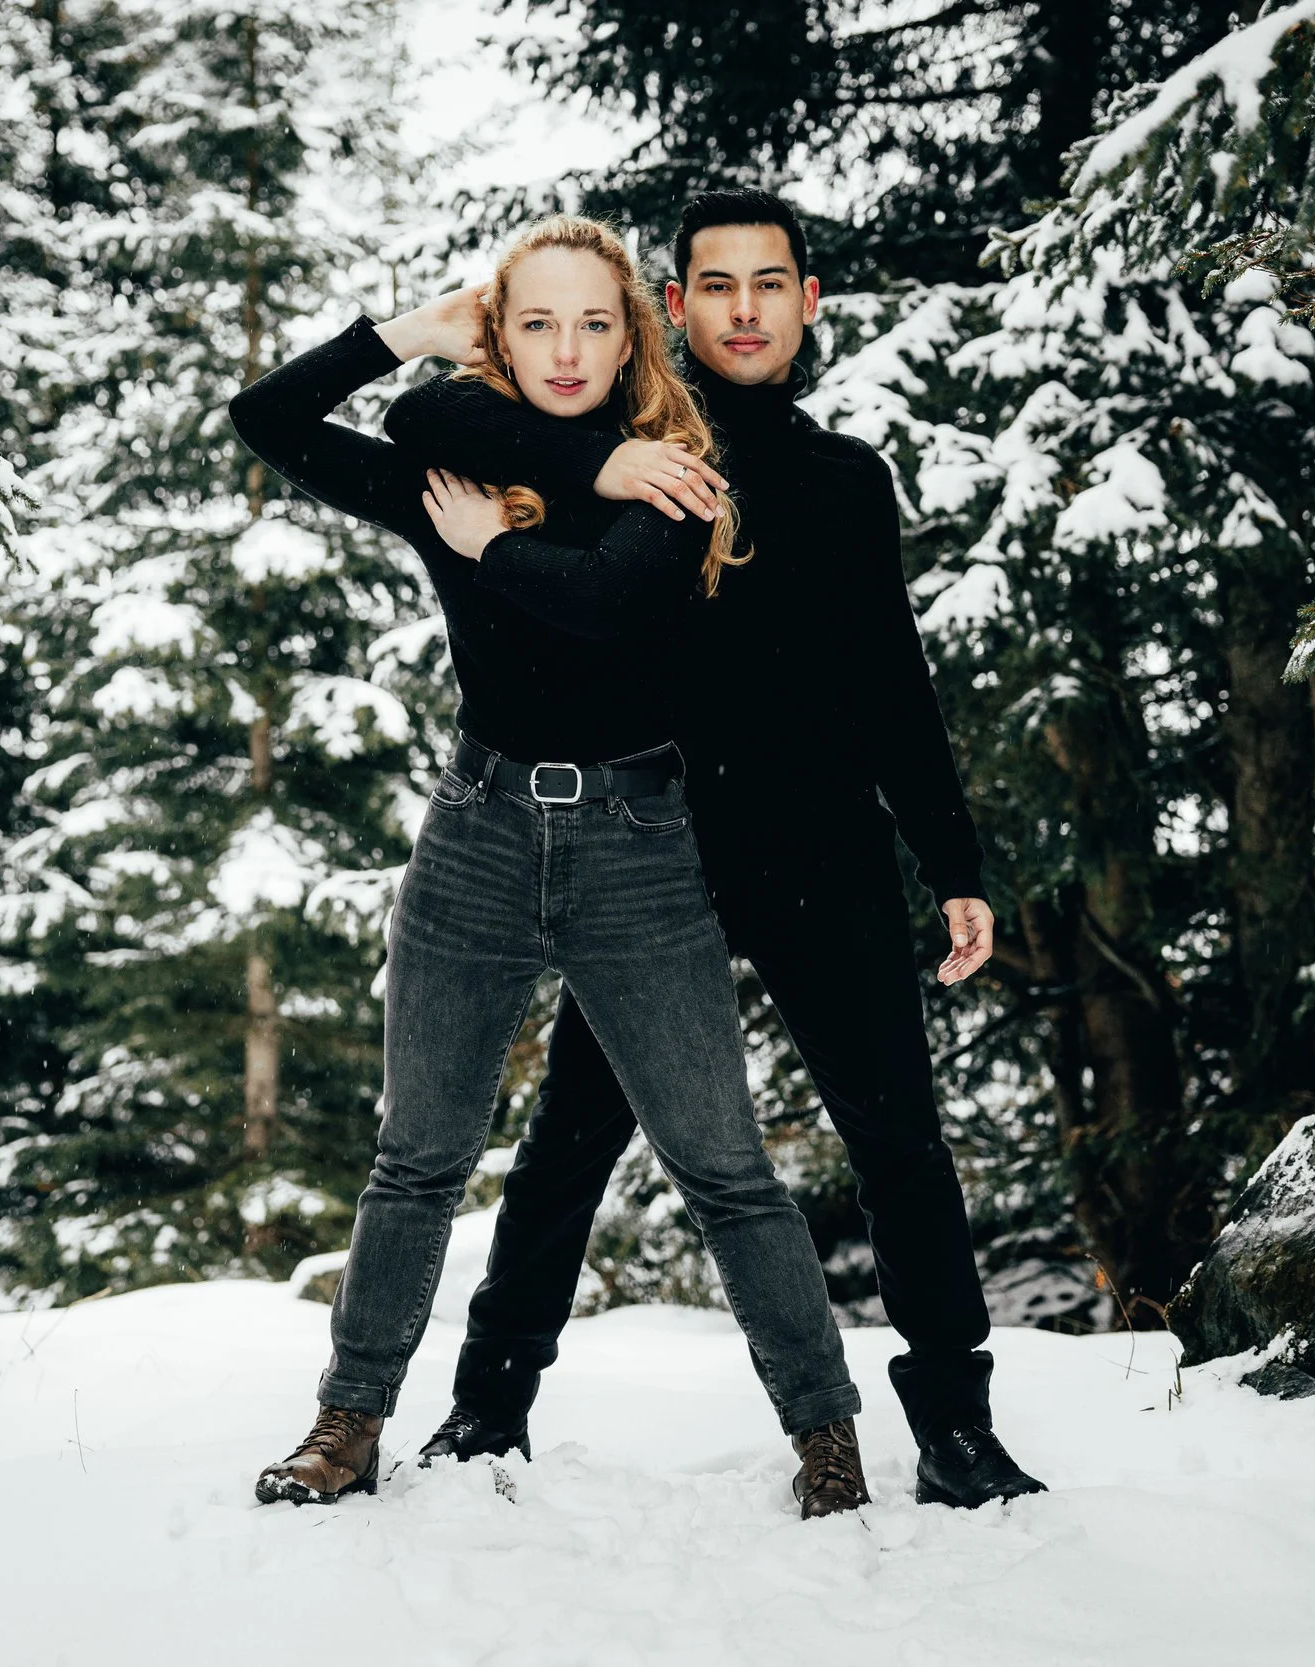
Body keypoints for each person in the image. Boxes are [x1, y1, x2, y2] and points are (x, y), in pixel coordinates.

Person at [384, 190, 1046, 1510]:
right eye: (715, 288)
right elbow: (431, 416)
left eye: (771, 284)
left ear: (808, 303)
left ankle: (959, 1428)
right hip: (657, 857)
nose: (745, 310)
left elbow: (891, 687)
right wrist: (543, 501)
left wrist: (954, 859)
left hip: (826, 856)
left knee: (899, 1139)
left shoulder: (847, 480)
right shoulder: (622, 444)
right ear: (672, 312)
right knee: (573, 1137)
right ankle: (487, 1404)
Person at [228, 214, 872, 1519]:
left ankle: (826, 1433)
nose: (568, 348)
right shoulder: (456, 462)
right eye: (535, 322)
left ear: (630, 331)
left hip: (638, 844)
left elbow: (597, 601)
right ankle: (347, 1424)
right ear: (499, 340)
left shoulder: (678, 471)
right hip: (476, 832)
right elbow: (269, 417)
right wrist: (406, 332)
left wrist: (491, 547)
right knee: (417, 1155)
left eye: (594, 321)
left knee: (723, 1163)